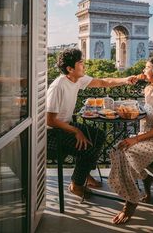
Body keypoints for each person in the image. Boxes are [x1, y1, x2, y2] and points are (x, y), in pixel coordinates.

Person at [47, 48, 136, 199]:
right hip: (51, 133)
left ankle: (83, 173)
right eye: (80, 63)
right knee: (87, 147)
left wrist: (125, 79)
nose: (84, 65)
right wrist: (76, 131)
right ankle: (76, 185)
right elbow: (49, 120)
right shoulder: (57, 87)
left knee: (99, 135)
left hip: (65, 125)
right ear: (70, 69)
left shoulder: (77, 79)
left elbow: (103, 82)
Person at [108, 57, 153, 224]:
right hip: (146, 133)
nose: (144, 70)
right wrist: (138, 77)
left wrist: (135, 139)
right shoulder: (148, 89)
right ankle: (145, 178)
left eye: (147, 68)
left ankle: (130, 203)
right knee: (116, 149)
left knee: (126, 151)